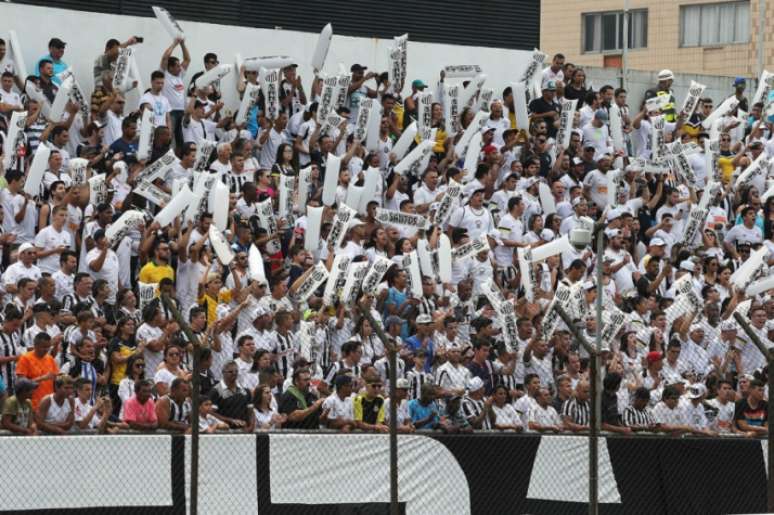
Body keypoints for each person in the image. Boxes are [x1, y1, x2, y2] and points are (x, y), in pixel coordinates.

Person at [15, 332, 59, 410]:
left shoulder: (50, 358)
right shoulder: (25, 358)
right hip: (31, 404)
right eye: (43, 347)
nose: (46, 350)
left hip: (49, 403)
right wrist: (42, 378)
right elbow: (21, 384)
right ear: (35, 345)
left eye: (48, 347)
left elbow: (56, 377)